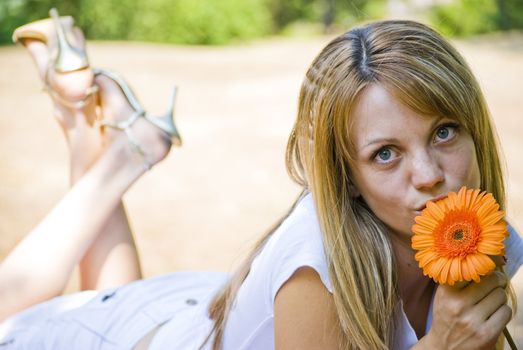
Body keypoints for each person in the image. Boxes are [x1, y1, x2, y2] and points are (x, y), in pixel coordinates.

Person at [0, 9, 521, 350]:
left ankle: (101, 135)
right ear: (345, 176)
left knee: (107, 302)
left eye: (445, 132)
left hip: (176, 320)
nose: (430, 176)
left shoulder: (475, 232)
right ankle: (122, 156)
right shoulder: (316, 272)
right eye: (385, 153)